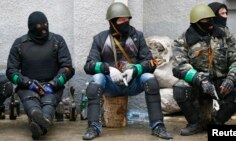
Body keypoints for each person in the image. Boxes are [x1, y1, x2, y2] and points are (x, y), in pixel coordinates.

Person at [83, 2, 172, 140]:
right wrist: (108, 69)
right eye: (121, 20)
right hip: (110, 83)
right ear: (112, 22)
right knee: (96, 79)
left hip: (132, 82)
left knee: (150, 78)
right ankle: (93, 126)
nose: (125, 22)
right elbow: (88, 65)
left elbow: (151, 63)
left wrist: (135, 70)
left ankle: (158, 125)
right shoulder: (100, 39)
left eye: (127, 19)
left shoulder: (137, 36)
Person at [172, 4, 236, 136]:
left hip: (221, 82)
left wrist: (231, 78)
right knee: (180, 89)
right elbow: (180, 66)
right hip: (198, 83)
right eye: (205, 21)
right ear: (196, 23)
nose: (210, 23)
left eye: (211, 19)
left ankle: (217, 123)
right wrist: (200, 80)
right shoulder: (183, 40)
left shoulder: (224, 35)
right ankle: (195, 123)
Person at [6, 11, 75, 140]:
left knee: (48, 101)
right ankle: (38, 116)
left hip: (52, 86)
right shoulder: (19, 44)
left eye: (45, 24)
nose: (43, 28)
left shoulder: (57, 41)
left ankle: (42, 122)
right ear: (31, 27)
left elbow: (68, 68)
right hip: (28, 87)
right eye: (39, 26)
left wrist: (54, 83)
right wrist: (27, 83)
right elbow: (11, 72)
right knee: (31, 101)